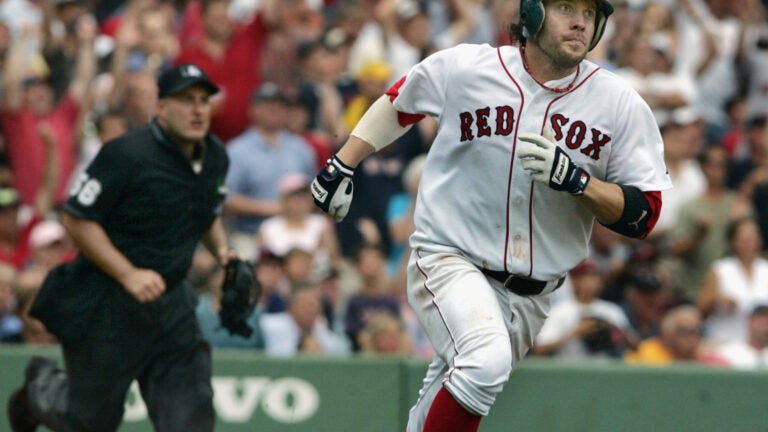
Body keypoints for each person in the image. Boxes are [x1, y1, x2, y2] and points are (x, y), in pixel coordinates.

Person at [310, 1, 671, 430]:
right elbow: (399, 102)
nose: (579, 22)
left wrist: (578, 181)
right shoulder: (469, 67)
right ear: (533, 14)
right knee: (484, 362)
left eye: (590, 14)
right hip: (450, 258)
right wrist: (343, 162)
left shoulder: (619, 104)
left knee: (455, 386)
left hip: (534, 295)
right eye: (566, 7)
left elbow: (645, 214)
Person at [6, 63, 232, 432]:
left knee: (190, 423)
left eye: (204, 100)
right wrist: (127, 273)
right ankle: (42, 390)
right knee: (88, 423)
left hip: (170, 304)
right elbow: (77, 218)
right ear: (161, 108)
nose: (197, 110)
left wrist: (223, 251)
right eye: (186, 100)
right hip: (107, 304)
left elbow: (205, 208)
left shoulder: (214, 155)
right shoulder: (126, 155)